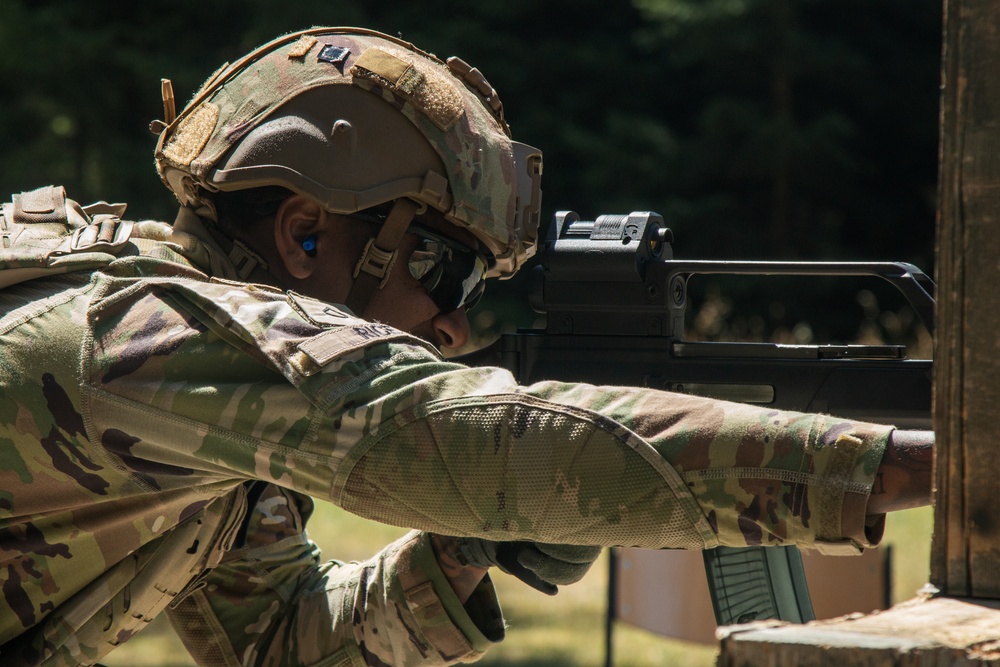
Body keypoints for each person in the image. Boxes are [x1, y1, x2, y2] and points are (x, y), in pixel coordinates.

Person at [0, 27, 932, 667]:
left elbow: (280, 641)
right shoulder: (142, 337)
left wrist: (464, 545)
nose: (455, 325)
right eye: (443, 270)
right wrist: (905, 467)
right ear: (307, 234)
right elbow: (430, 431)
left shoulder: (202, 411)